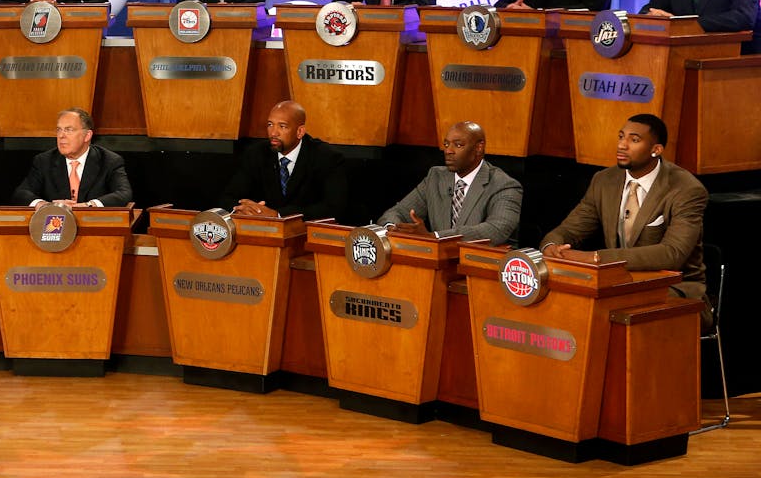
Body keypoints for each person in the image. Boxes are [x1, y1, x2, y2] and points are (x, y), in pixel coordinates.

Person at [540, 114, 709, 321]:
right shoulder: (604, 181)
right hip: (621, 284)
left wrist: (596, 258)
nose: (622, 145)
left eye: (634, 140)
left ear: (656, 150)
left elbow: (672, 254)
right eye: (621, 137)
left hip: (675, 289)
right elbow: (570, 229)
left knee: (603, 310)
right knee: (564, 301)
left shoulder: (686, 189)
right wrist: (551, 246)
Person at [377, 121, 521, 245]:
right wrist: (393, 229)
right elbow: (397, 212)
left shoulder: (504, 185)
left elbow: (496, 230)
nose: (448, 151)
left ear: (478, 147)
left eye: (458, 145)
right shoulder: (436, 177)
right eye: (446, 144)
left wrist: (434, 237)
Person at [220, 100, 346, 220]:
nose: (273, 133)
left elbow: (334, 208)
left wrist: (278, 215)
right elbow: (227, 198)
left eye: (282, 126)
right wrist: (245, 209)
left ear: (300, 132)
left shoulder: (327, 157)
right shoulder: (256, 154)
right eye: (270, 125)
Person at [12, 108, 132, 208]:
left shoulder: (109, 161)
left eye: (69, 130)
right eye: (59, 130)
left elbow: (124, 193)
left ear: (87, 135)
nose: (61, 135)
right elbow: (21, 193)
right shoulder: (44, 161)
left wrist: (88, 206)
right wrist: (45, 205)